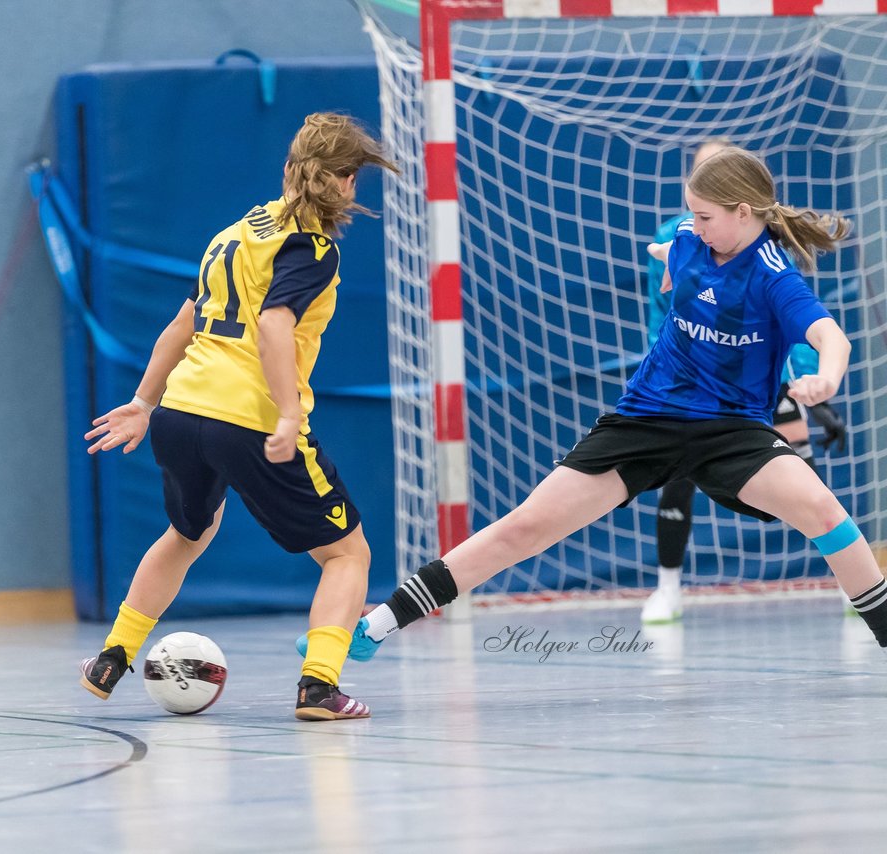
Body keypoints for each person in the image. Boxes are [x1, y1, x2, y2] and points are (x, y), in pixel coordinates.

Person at [334, 146, 887, 662]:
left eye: (704, 215)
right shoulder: (691, 243)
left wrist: (826, 380)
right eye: (689, 215)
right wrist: (668, 255)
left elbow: (831, 338)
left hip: (733, 432)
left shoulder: (774, 278)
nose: (692, 225)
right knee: (525, 527)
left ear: (743, 213)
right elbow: (676, 254)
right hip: (645, 419)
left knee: (825, 514)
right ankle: (380, 623)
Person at [77, 113, 398, 721]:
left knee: (186, 533)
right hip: (244, 416)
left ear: (287, 168)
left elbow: (183, 323)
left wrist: (144, 403)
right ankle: (319, 687)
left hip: (179, 411)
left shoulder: (235, 232)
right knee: (347, 556)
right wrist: (283, 414)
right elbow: (275, 323)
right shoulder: (312, 247)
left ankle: (111, 658)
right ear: (350, 181)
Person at [641, 141, 849, 623]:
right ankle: (668, 587)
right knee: (678, 470)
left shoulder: (766, 253)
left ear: (738, 202)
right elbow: (668, 316)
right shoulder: (682, 238)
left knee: (802, 471)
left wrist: (812, 387)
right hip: (693, 381)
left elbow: (792, 322)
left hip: (755, 379)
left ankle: (849, 577)